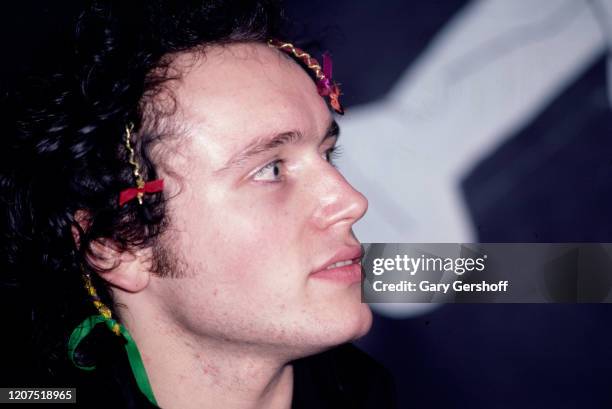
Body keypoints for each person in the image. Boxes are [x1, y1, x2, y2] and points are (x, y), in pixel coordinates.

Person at [1, 1, 396, 408]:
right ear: (118, 245)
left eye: (328, 154)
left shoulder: (366, 392)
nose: (351, 201)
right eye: (270, 169)